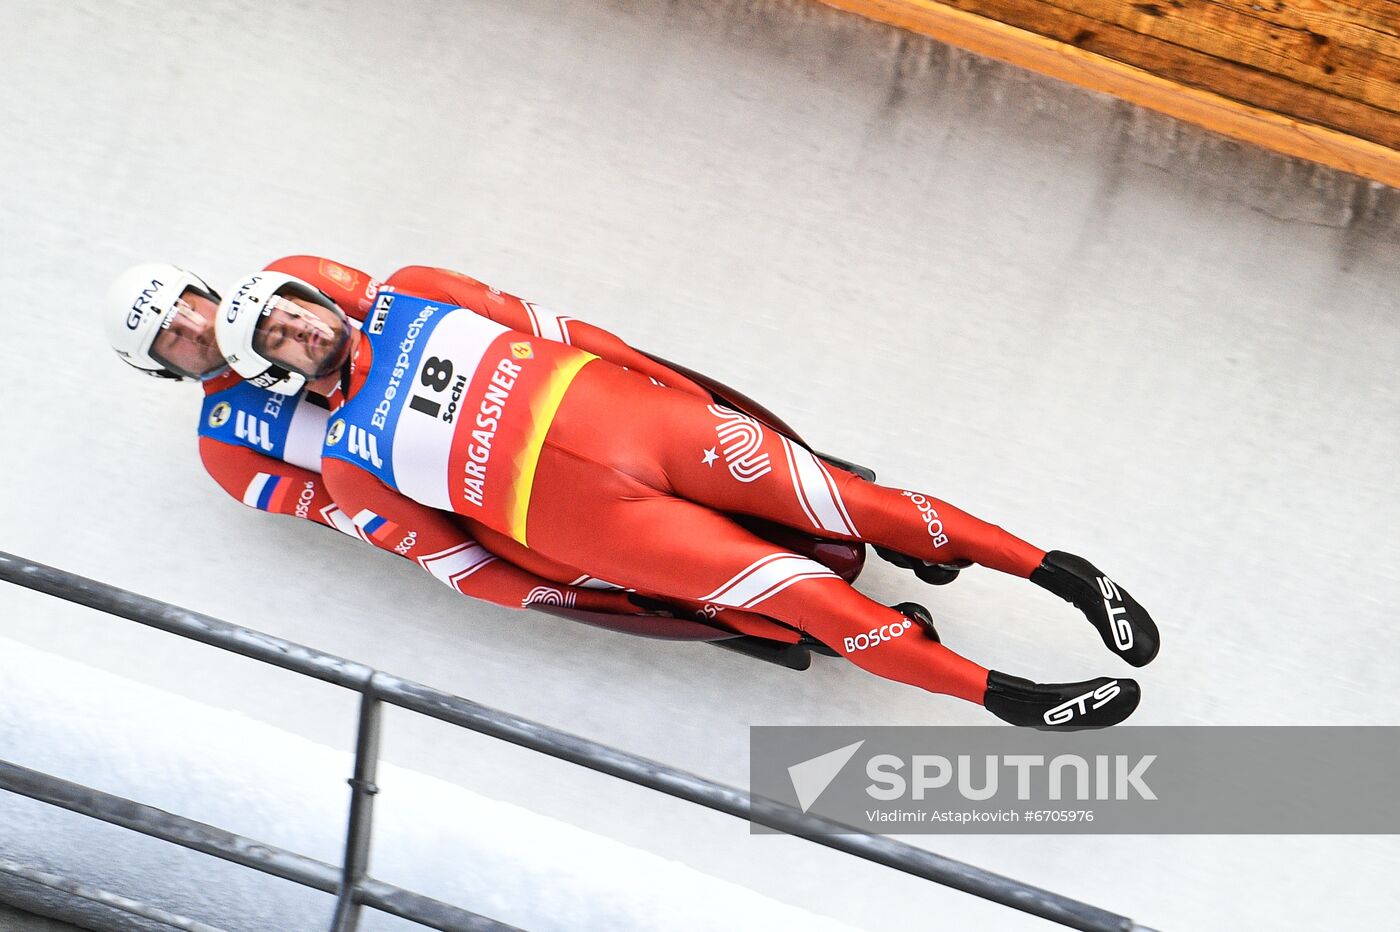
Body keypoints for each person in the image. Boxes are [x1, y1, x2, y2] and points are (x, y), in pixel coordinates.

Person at [216, 260, 1160, 728]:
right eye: (277, 340)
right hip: (608, 526)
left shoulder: (413, 291)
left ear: (317, 296)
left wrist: (675, 388)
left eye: (293, 311)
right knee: (808, 600)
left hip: (647, 426)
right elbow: (458, 565)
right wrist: (562, 592)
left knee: (858, 506)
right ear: (276, 373)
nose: (297, 332)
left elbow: (563, 327)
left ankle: (1066, 575)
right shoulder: (345, 459)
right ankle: (1012, 698)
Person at [103, 262, 671, 616]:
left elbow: (410, 309)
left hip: (515, 402)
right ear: (162, 368)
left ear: (203, 287)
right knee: (536, 561)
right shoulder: (226, 449)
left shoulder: (291, 281)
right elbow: (359, 516)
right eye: (171, 336)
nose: (197, 328)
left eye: (190, 307)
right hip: (469, 493)